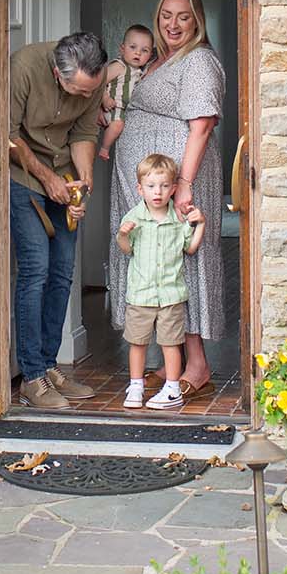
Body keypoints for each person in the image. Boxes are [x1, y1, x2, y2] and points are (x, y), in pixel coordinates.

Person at [109, 0, 226, 398]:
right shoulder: (159, 61)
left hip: (177, 182)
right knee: (152, 258)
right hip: (150, 183)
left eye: (182, 16)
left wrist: (184, 185)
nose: (172, 24)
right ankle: (169, 358)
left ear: (197, 20)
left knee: (180, 261)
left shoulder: (199, 61)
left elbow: (202, 125)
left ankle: (197, 364)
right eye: (165, 16)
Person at [9, 31, 108, 411]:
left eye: (90, 91)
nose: (85, 97)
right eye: (78, 91)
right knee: (36, 268)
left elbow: (84, 132)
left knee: (63, 271)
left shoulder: (92, 80)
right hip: (24, 177)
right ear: (57, 73)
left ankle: (50, 367)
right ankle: (31, 377)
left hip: (64, 177)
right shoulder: (24, 67)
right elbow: (8, 132)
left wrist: (82, 186)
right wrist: (45, 178)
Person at [117, 153, 205, 411]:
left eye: (165, 186)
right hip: (141, 295)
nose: (158, 192)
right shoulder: (134, 218)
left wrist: (200, 224)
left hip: (170, 295)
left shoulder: (177, 220)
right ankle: (136, 385)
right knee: (137, 342)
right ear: (140, 188)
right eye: (151, 186)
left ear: (174, 189)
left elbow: (190, 248)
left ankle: (172, 388)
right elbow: (126, 248)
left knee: (170, 343)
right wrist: (123, 235)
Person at [98, 24, 155, 161]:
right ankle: (104, 148)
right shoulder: (119, 66)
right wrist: (104, 99)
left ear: (150, 55)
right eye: (133, 47)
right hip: (113, 105)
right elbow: (99, 82)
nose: (138, 53)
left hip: (124, 109)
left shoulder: (141, 71)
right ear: (122, 49)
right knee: (118, 125)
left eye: (144, 50)